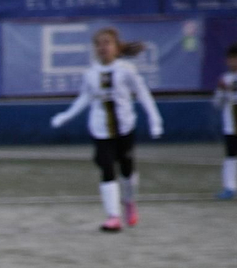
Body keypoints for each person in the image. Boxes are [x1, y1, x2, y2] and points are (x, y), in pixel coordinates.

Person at [50, 27, 163, 232]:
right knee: (106, 166)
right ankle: (113, 216)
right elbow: (85, 97)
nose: (102, 47)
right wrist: (66, 115)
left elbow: (142, 94)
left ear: (116, 47)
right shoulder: (91, 74)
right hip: (100, 130)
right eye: (98, 43)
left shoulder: (126, 70)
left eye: (107, 42)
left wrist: (155, 119)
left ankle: (129, 201)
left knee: (127, 170)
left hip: (124, 128)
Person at [213, 44, 237, 200]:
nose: (235, 62)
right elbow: (217, 103)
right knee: (231, 156)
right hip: (232, 127)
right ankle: (230, 187)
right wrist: (222, 91)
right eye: (232, 59)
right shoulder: (225, 79)